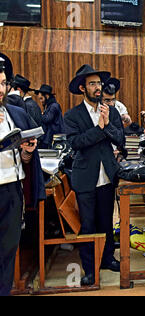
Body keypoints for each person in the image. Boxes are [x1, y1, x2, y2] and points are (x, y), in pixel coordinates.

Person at [64, 64, 124, 286]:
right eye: (92, 84)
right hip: (85, 177)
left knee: (106, 222)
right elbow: (75, 143)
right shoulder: (72, 115)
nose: (98, 87)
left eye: (99, 83)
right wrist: (99, 129)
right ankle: (90, 268)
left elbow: (121, 139)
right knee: (88, 225)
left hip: (107, 176)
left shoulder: (111, 110)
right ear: (82, 88)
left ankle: (108, 258)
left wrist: (106, 125)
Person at [0, 54, 45, 296]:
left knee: (7, 254)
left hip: (12, 192)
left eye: (3, 83)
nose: (0, 89)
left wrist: (27, 152)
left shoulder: (14, 114)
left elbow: (24, 162)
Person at [35, 84, 64, 149]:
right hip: (50, 138)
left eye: (41, 98)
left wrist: (40, 115)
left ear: (47, 96)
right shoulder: (49, 106)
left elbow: (47, 119)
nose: (41, 101)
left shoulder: (54, 106)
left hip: (54, 138)